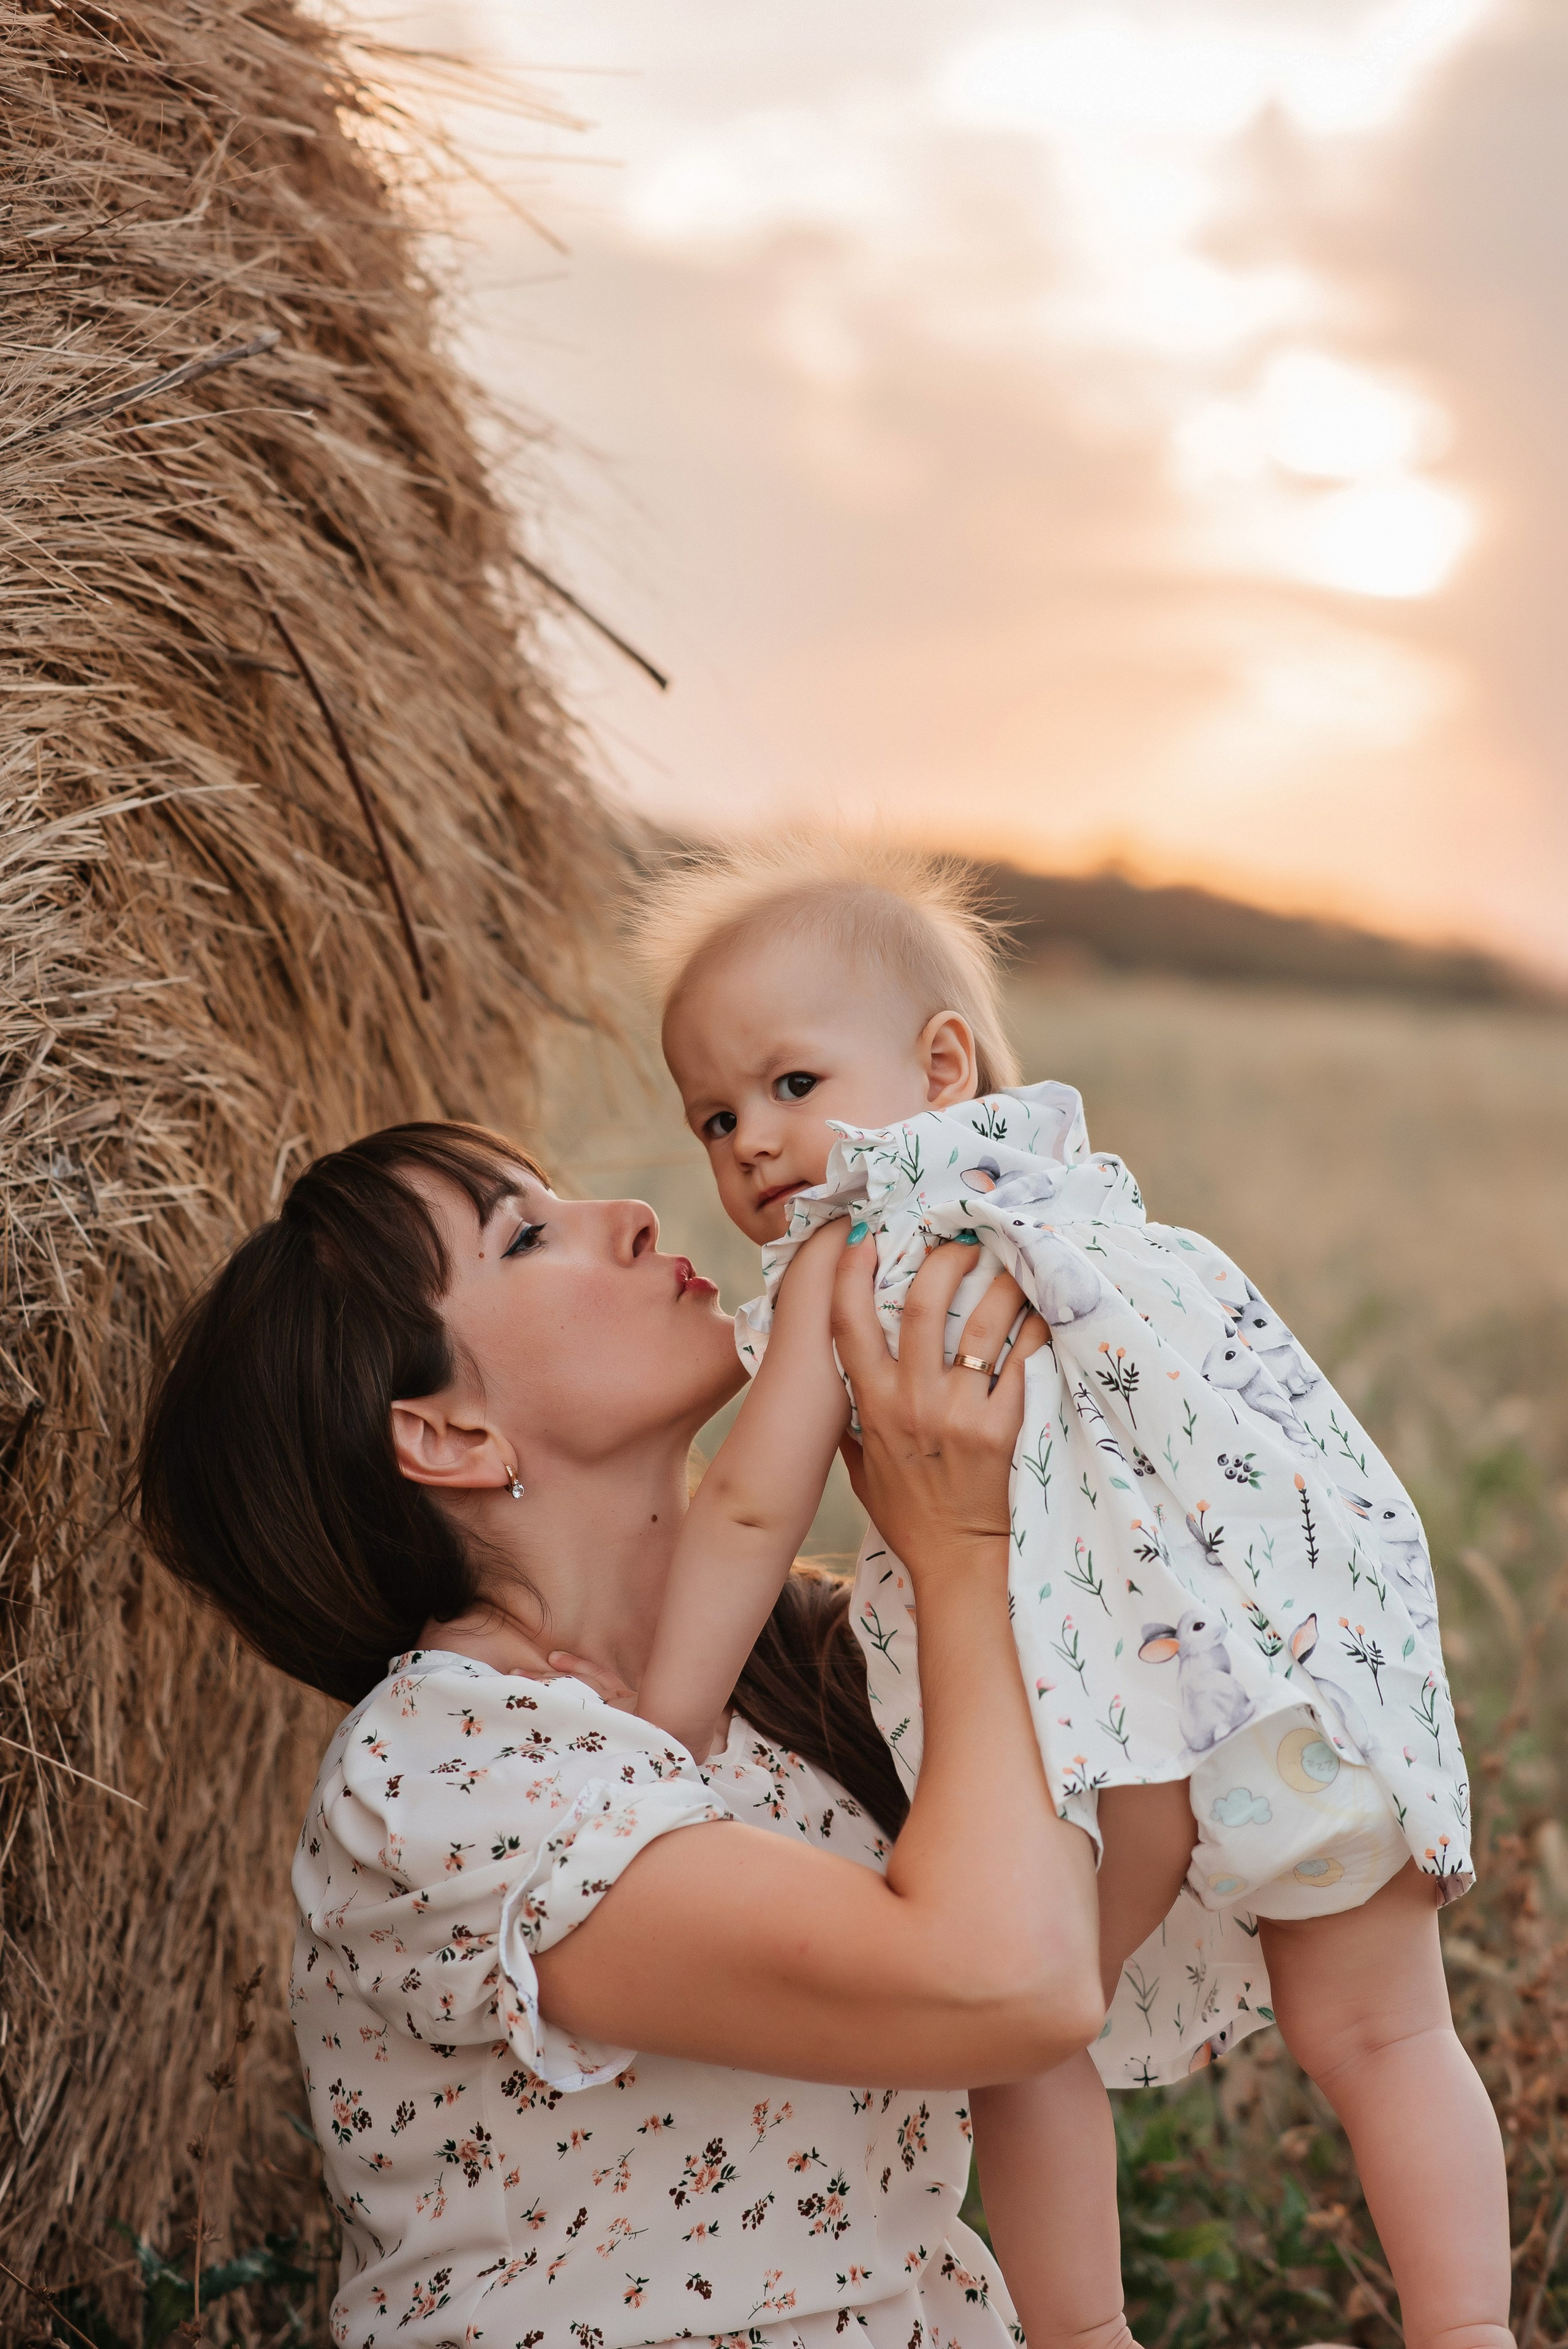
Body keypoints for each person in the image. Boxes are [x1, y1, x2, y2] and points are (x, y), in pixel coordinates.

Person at [630, 835, 1513, 2349]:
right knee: (1385, 2027)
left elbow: (752, 1504)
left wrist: (659, 1716)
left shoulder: (846, 1252)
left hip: (1086, 1733)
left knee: (1026, 2030)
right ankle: (1468, 2330)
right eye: (712, 1117)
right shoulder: (1080, 1197)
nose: (752, 1148)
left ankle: (1082, 2334)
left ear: (939, 1060)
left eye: (787, 1086)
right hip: (1284, 1673)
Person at [132, 1120, 1104, 2348]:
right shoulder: (444, 1775)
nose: (632, 1216)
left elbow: (1122, 1916)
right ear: (446, 1435)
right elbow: (1011, 1984)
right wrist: (961, 1556)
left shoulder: (801, 1680)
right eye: (528, 1234)